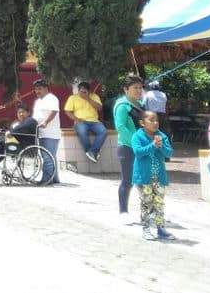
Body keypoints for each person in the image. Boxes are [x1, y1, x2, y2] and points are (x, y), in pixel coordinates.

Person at [132, 110, 175, 241]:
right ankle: (146, 229)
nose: (155, 123)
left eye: (156, 120)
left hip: (159, 177)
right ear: (142, 123)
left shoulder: (161, 136)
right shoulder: (137, 136)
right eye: (151, 120)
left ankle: (161, 229)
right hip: (144, 178)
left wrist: (160, 145)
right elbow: (138, 152)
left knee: (159, 203)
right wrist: (152, 145)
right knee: (146, 203)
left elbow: (169, 153)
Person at [113, 74, 146, 219]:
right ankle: (123, 211)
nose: (139, 90)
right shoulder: (122, 106)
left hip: (142, 148)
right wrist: (135, 143)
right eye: (135, 88)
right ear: (126, 89)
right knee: (128, 181)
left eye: (140, 87)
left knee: (144, 180)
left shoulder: (140, 104)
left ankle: (148, 210)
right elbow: (120, 127)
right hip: (127, 148)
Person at [0, 105, 37, 175]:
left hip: (25, 148)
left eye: (23, 112)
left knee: (1, 144)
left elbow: (19, 129)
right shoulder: (21, 123)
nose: (21, 114)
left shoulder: (30, 121)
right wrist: (8, 132)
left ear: (28, 113)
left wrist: (10, 132)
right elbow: (16, 131)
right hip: (18, 144)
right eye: (19, 113)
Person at [64, 81, 107, 163]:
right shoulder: (73, 98)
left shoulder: (94, 96)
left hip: (94, 121)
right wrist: (76, 119)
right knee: (82, 131)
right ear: (78, 90)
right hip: (81, 122)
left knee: (103, 131)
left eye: (84, 91)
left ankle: (93, 152)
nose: (82, 92)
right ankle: (90, 151)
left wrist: (88, 98)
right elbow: (67, 111)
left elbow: (99, 108)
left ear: (88, 91)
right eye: (81, 90)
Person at [31, 79, 61, 184]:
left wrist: (45, 122)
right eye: (35, 89)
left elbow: (54, 111)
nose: (37, 91)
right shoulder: (38, 101)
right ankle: (55, 179)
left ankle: (46, 180)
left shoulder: (51, 98)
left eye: (39, 89)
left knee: (47, 157)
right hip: (41, 134)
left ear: (46, 89)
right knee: (50, 156)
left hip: (50, 134)